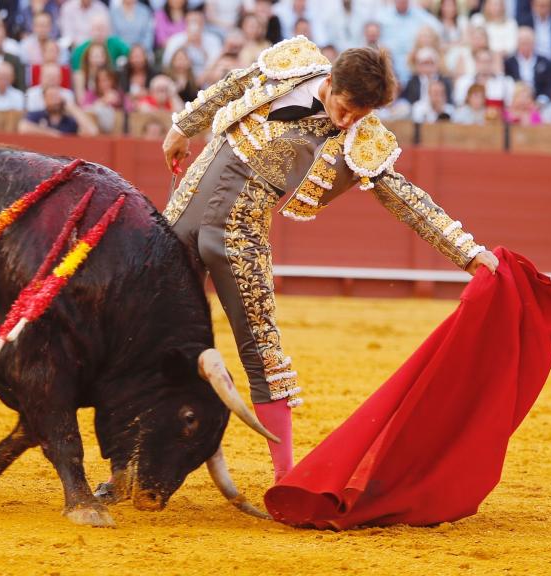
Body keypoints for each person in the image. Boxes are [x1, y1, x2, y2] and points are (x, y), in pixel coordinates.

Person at [155, 36, 498, 485]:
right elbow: (232, 85)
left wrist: (469, 253)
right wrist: (183, 127)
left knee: (264, 352)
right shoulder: (291, 66)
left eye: (363, 113)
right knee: (148, 324)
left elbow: (408, 201)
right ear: (331, 81)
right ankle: (136, 462)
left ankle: (286, 479)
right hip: (189, 204)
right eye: (348, 106)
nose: (350, 119)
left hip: (242, 233)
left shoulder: (361, 138)